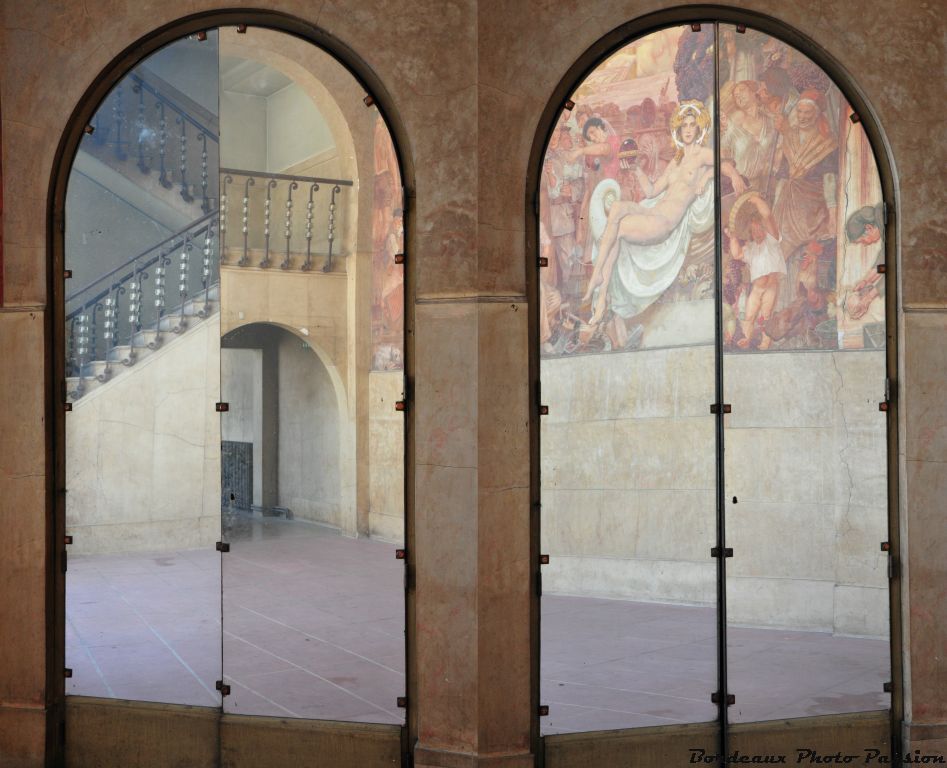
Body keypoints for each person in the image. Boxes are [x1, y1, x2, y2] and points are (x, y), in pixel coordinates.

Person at [582, 100, 745, 324]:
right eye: (684, 125)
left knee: (617, 230)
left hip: (665, 223)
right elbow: (651, 191)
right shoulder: (676, 161)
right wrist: (635, 167)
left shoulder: (702, 155)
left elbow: (723, 164)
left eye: (692, 124)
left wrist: (729, 176)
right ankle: (599, 278)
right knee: (618, 208)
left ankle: (599, 292)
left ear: (698, 128)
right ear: (678, 129)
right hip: (654, 211)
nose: (687, 129)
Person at [726, 192, 785, 349]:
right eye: (754, 230)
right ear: (750, 233)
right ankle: (746, 339)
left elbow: (768, 217)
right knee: (750, 315)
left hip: (771, 286)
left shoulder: (772, 240)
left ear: (765, 230)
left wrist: (758, 201)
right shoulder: (750, 248)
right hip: (757, 289)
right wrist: (732, 238)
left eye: (760, 229)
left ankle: (765, 343)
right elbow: (737, 254)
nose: (758, 233)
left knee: (765, 315)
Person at [843, 205, 885, 320]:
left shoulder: (887, 228)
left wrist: (869, 297)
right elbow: (884, 266)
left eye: (862, 240)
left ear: (869, 228)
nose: (865, 244)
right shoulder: (884, 228)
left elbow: (896, 269)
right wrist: (866, 280)